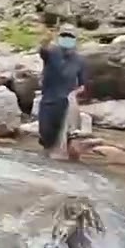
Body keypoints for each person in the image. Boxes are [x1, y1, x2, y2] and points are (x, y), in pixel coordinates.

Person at [38, 23, 87, 160]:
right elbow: (43, 49)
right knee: (45, 136)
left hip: (66, 105)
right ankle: (46, 162)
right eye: (64, 36)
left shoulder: (80, 60)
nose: (67, 39)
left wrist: (74, 94)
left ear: (75, 39)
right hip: (48, 102)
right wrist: (46, 38)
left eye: (70, 36)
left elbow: (82, 85)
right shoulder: (51, 53)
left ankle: (62, 163)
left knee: (65, 139)